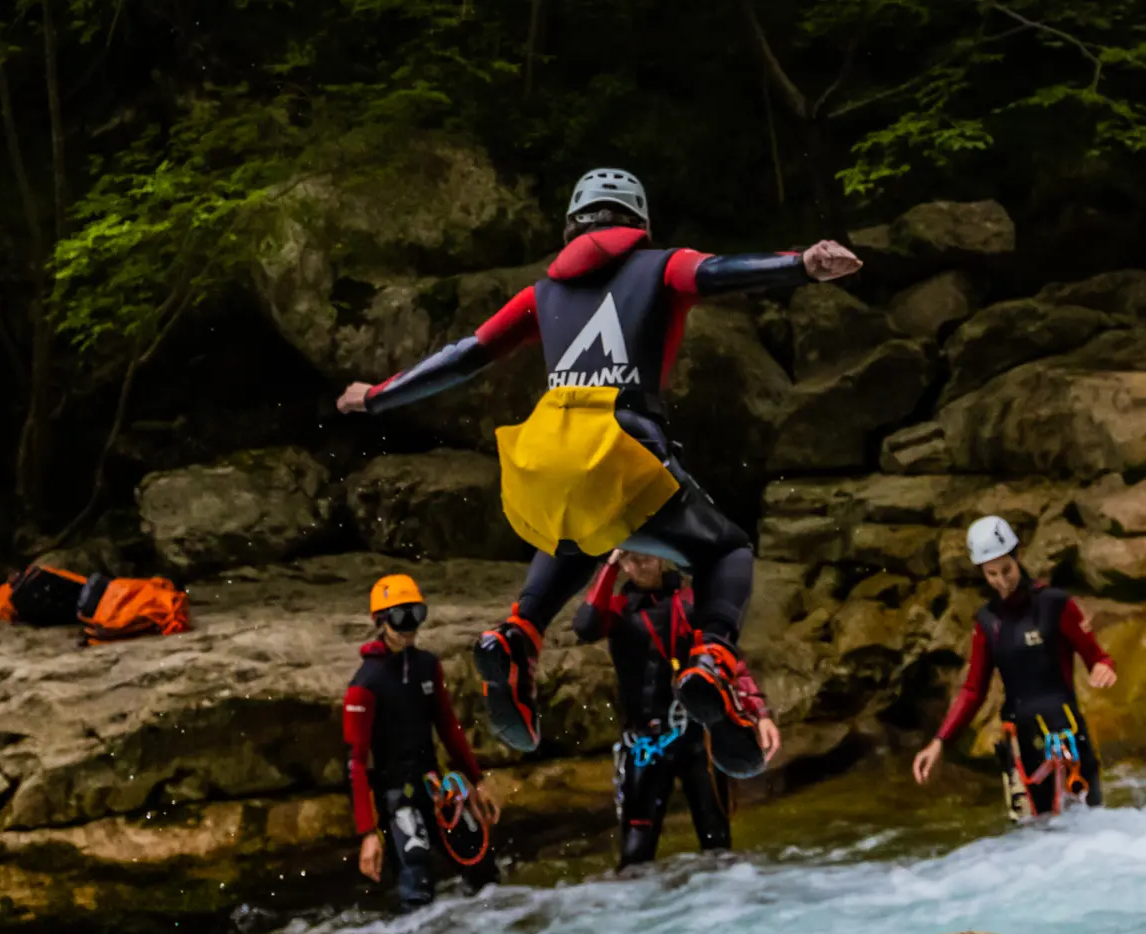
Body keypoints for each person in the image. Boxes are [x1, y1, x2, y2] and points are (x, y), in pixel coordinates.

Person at [337, 168, 860, 778]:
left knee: (579, 532)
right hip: (622, 444)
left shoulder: (540, 294)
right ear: (638, 224)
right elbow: (719, 272)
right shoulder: (663, 266)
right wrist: (801, 264)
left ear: (571, 227)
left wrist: (375, 396)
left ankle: (517, 635)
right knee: (728, 549)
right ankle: (714, 656)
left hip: (546, 452)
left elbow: (463, 357)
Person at [575, 550, 783, 868]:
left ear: (660, 557)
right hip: (644, 744)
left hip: (697, 739)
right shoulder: (618, 610)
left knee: (718, 846)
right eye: (629, 559)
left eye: (645, 556)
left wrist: (760, 714)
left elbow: (729, 662)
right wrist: (609, 567)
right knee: (634, 859)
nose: (639, 564)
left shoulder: (689, 602)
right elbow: (586, 626)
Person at [911, 516, 1119, 819]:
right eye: (991, 574)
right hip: (1021, 745)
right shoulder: (987, 621)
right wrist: (939, 742)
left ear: (1017, 556)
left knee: (1089, 828)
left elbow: (1097, 657)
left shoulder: (1055, 604)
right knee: (1031, 840)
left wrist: (1104, 667)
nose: (1001, 581)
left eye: (1006, 570)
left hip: (1067, 736)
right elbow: (973, 690)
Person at [343, 574, 501, 910]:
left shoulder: (427, 666)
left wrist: (478, 780)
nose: (410, 626)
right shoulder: (365, 685)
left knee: (483, 870)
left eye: (417, 614)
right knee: (417, 888)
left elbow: (447, 726)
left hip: (435, 786)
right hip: (397, 796)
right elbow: (355, 760)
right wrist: (368, 833)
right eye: (401, 617)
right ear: (381, 621)